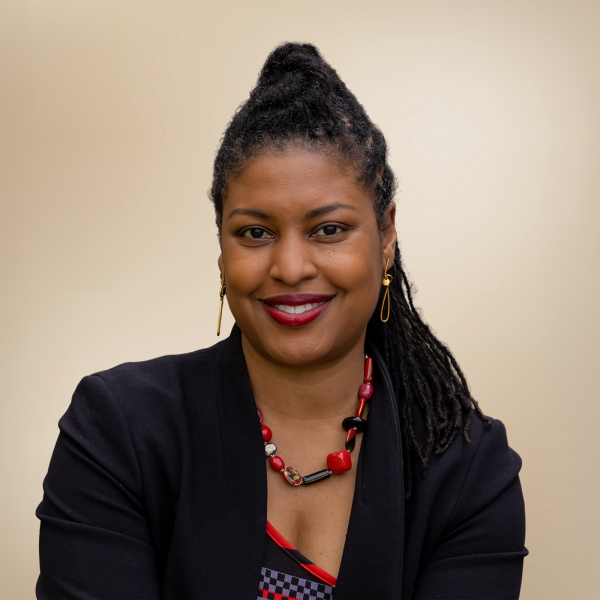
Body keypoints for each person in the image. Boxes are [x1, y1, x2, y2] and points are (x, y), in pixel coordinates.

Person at [36, 42, 528, 600]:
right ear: (221, 246)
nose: (290, 267)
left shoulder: (466, 468)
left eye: (329, 229)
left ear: (386, 236)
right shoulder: (118, 428)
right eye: (255, 233)